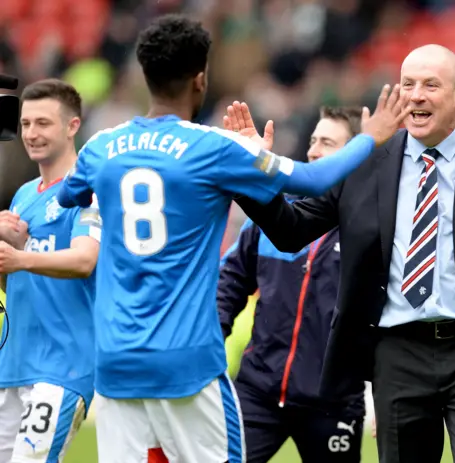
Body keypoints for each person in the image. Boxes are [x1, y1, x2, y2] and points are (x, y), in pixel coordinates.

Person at [55, 14, 409, 463]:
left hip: (116, 357)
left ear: (144, 75)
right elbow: (314, 179)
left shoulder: (100, 146)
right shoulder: (216, 147)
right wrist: (371, 138)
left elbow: (70, 194)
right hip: (187, 360)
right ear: (200, 79)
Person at [226, 44, 455, 463]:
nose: (416, 95)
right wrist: (251, 170)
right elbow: (292, 231)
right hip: (395, 351)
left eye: (431, 85)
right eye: (408, 84)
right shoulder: (363, 159)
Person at [218, 106, 366, 463]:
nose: (313, 150)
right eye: (313, 140)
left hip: (333, 402)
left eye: (327, 143)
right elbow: (229, 284)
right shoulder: (273, 220)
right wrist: (207, 340)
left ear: (353, 158)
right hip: (258, 392)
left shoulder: (369, 229)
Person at [0, 79, 100, 463]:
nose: (31, 133)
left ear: (73, 126)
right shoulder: (24, 195)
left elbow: (84, 260)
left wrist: (21, 257)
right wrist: (11, 245)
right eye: (25, 124)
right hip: (13, 364)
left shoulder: (88, 190)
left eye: (43, 123)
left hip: (61, 368)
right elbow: (19, 280)